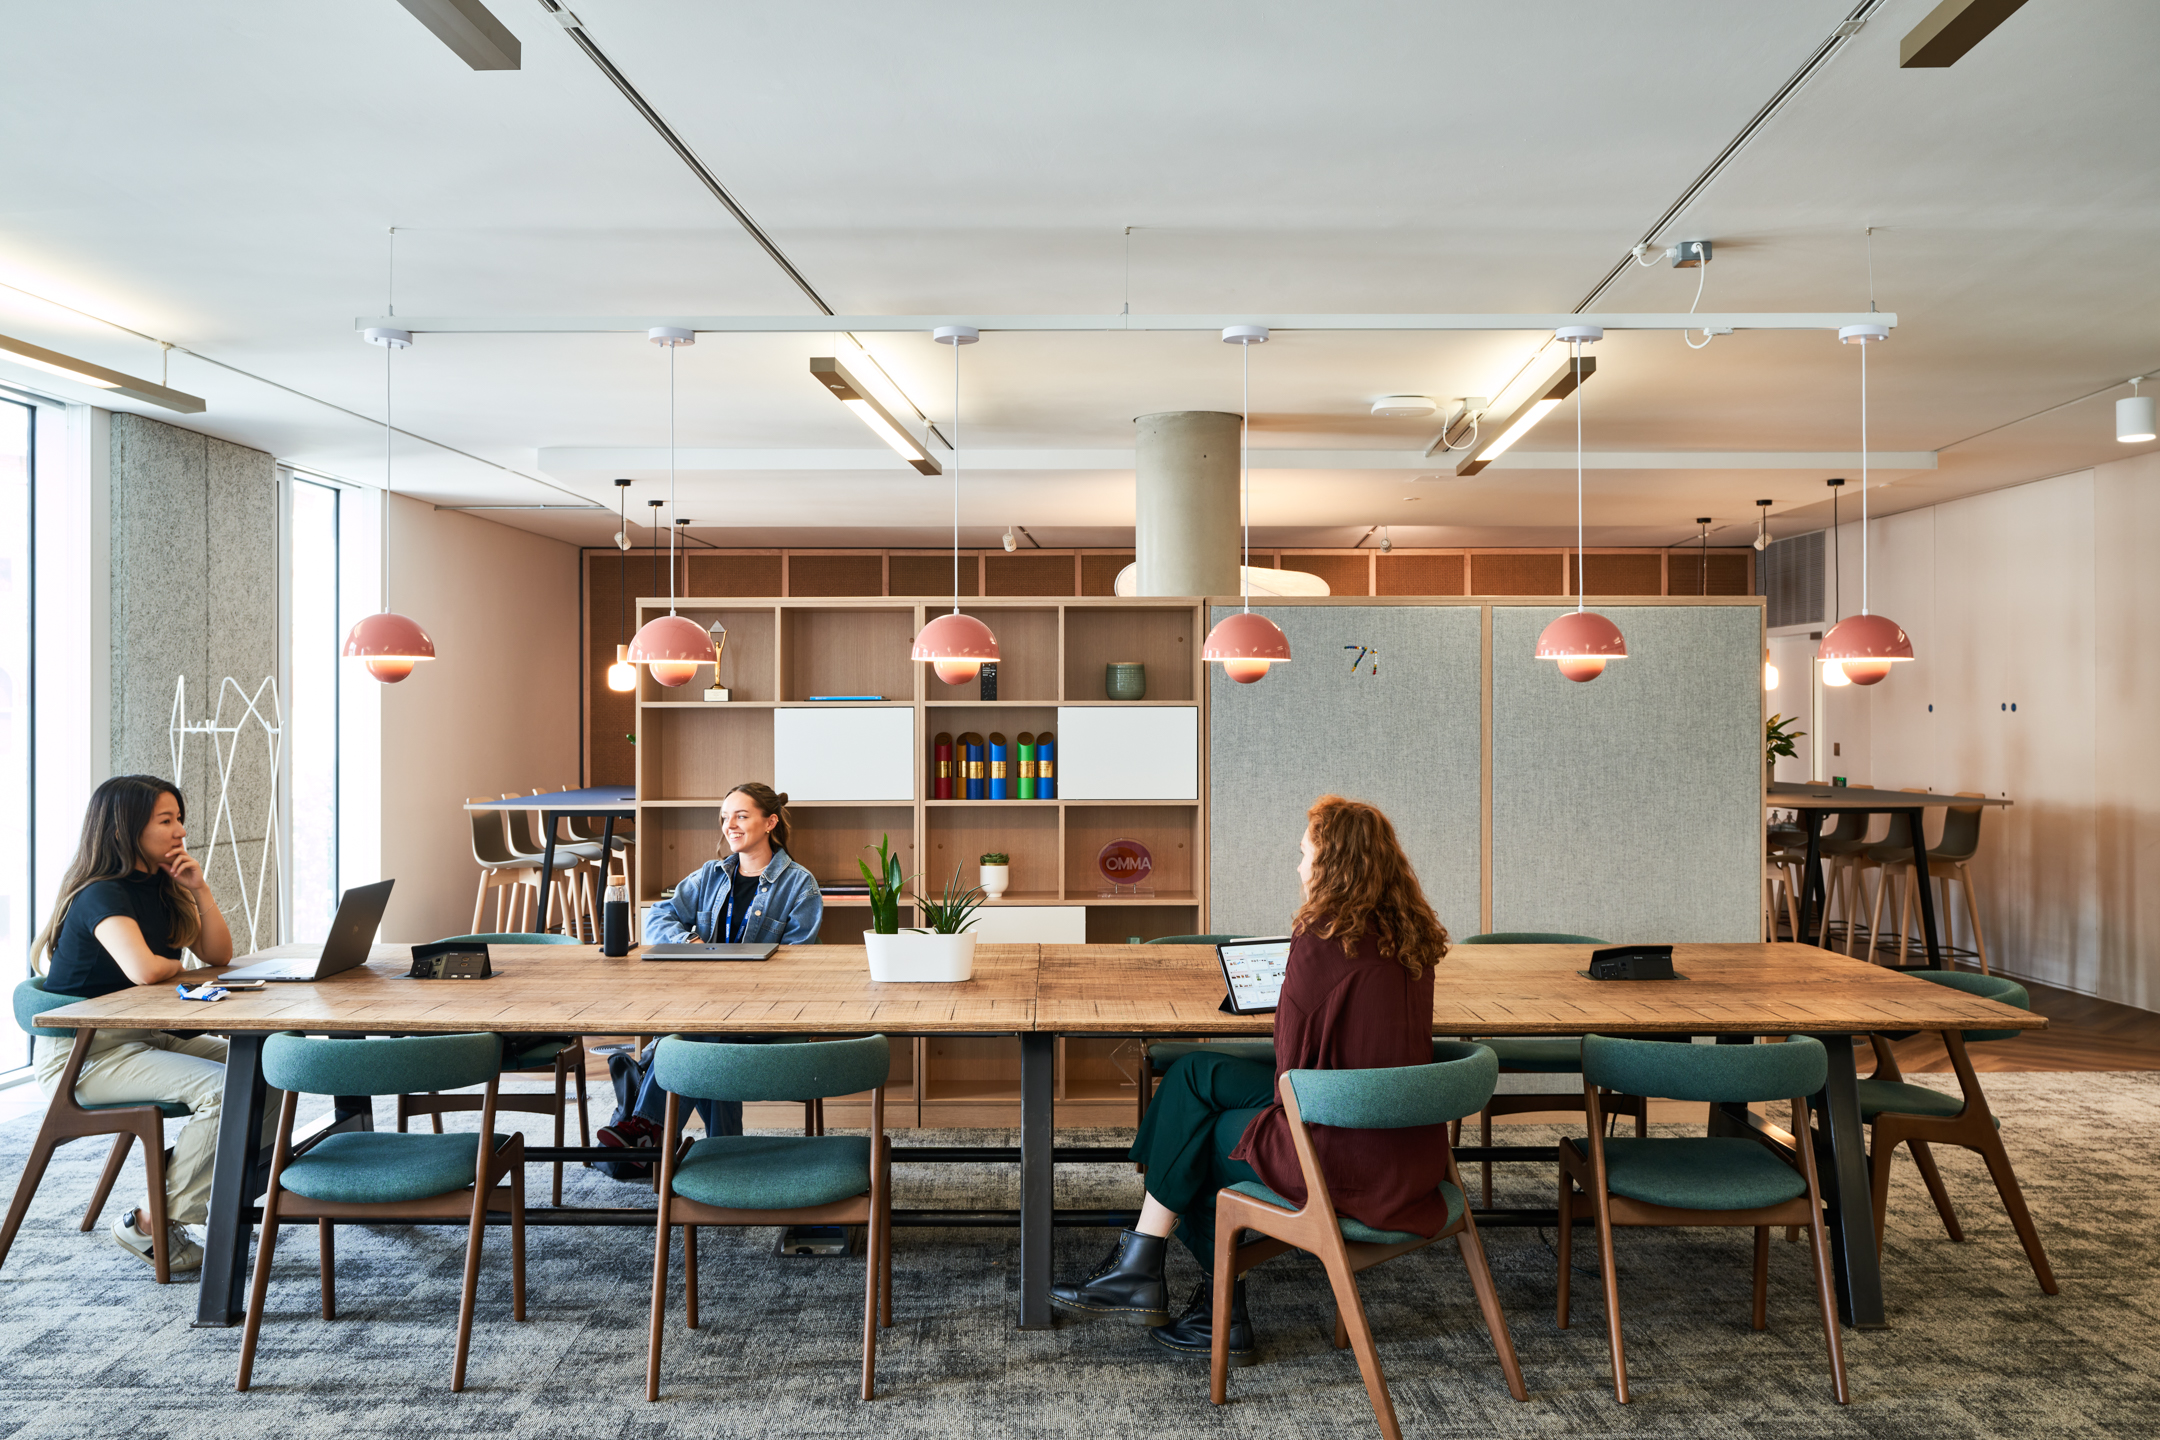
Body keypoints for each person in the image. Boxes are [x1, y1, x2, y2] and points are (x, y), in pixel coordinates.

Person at [1050, 795, 1453, 1364]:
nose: (1298, 867)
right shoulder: (1413, 941)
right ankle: (1149, 1267)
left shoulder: (1321, 939)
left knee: (1205, 1135)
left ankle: (1207, 1306)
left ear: (1333, 865)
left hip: (1343, 1153)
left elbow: (1290, 1065)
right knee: (1193, 1075)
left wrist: (1293, 994)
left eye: (1304, 854)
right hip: (1407, 1151)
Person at [29, 774, 278, 1274]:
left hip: (141, 1036)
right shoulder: (101, 894)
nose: (180, 831)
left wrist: (200, 888)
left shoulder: (159, 886)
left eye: (179, 818)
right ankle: (153, 1222)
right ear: (125, 828)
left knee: (271, 1069)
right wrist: (177, 968)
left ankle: (224, 1193)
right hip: (86, 1056)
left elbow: (219, 954)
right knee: (227, 1089)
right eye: (166, 820)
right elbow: (144, 970)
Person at [597, 783, 824, 1155]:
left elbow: (798, 967)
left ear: (769, 823)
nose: (729, 825)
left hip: (766, 1016)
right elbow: (657, 916)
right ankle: (725, 1154)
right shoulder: (711, 875)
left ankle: (646, 1127)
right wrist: (689, 942)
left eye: (741, 816)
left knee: (687, 1038)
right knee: (706, 1032)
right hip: (710, 1011)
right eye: (724, 817)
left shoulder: (800, 885)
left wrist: (739, 980)